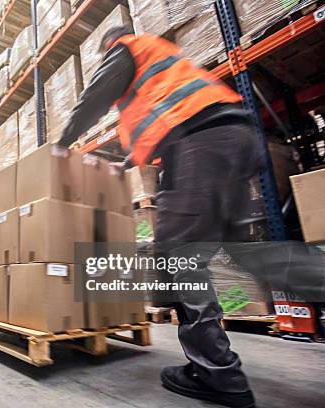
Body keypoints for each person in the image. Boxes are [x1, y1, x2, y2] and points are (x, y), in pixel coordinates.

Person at [57, 26, 259, 407]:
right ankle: (209, 365)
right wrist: (129, 161)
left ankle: (220, 375)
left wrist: (61, 144)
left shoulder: (124, 48)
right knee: (191, 260)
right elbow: (162, 115)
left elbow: (93, 99)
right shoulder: (164, 61)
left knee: (179, 260)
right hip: (235, 138)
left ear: (107, 45)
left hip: (200, 144)